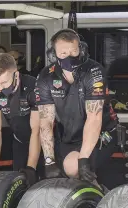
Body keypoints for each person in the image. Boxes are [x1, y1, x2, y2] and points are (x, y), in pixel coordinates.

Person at [35, 29, 119, 187]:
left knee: (74, 167)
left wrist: (84, 158)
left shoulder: (93, 71)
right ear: (53, 55)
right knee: (58, 177)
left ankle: (100, 199)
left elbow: (94, 118)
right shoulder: (46, 76)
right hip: (68, 136)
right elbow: (46, 120)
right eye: (64, 52)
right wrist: (49, 160)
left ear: (81, 49)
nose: (70, 56)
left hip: (102, 133)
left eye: (74, 51)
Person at [0, 53, 43, 186]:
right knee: (19, 184)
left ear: (15, 74)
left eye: (4, 82)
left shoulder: (33, 87)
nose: (1, 88)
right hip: (19, 140)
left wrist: (31, 167)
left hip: (43, 140)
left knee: (40, 182)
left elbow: (37, 130)